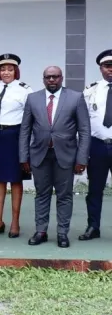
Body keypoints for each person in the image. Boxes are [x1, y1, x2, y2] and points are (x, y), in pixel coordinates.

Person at [21, 66, 90, 249]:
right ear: (43, 79)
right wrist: (23, 157)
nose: (52, 80)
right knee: (41, 194)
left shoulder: (75, 97)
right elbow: (25, 130)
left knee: (64, 196)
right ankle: (41, 231)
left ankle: (62, 233)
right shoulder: (33, 98)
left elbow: (84, 130)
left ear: (61, 78)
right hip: (39, 155)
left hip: (66, 155)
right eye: (48, 77)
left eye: (55, 77)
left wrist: (81, 159)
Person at [0, 54, 32, 238]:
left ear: (16, 71)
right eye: (3, 69)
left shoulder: (25, 90)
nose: (6, 72)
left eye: (10, 69)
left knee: (15, 180)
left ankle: (15, 222)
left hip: (15, 136)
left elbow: (30, 118)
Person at [80, 50, 112, 241]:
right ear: (101, 69)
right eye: (107, 66)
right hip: (97, 146)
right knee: (95, 190)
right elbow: (83, 122)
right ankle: (93, 227)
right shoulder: (90, 91)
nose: (111, 70)